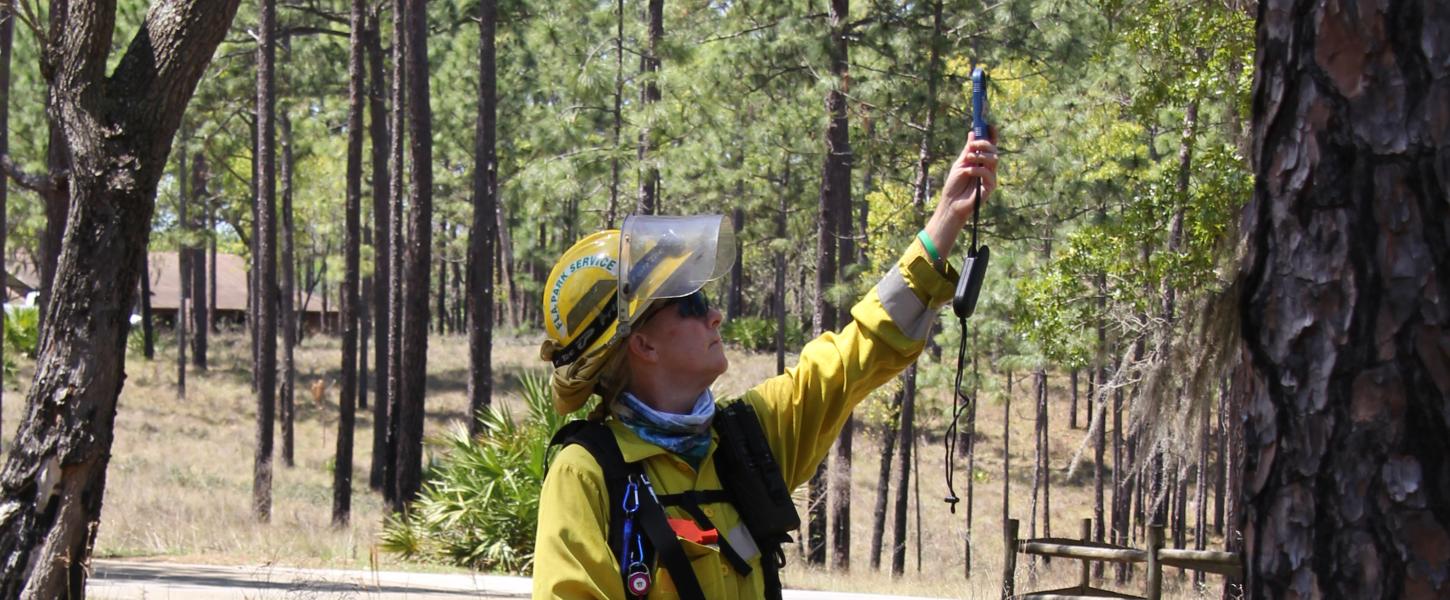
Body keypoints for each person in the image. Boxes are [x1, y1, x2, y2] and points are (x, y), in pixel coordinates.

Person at [533, 131, 999, 600]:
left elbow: (860, 351)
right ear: (643, 344)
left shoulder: (749, 440)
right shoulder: (586, 475)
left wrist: (946, 218)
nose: (714, 313)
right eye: (691, 302)